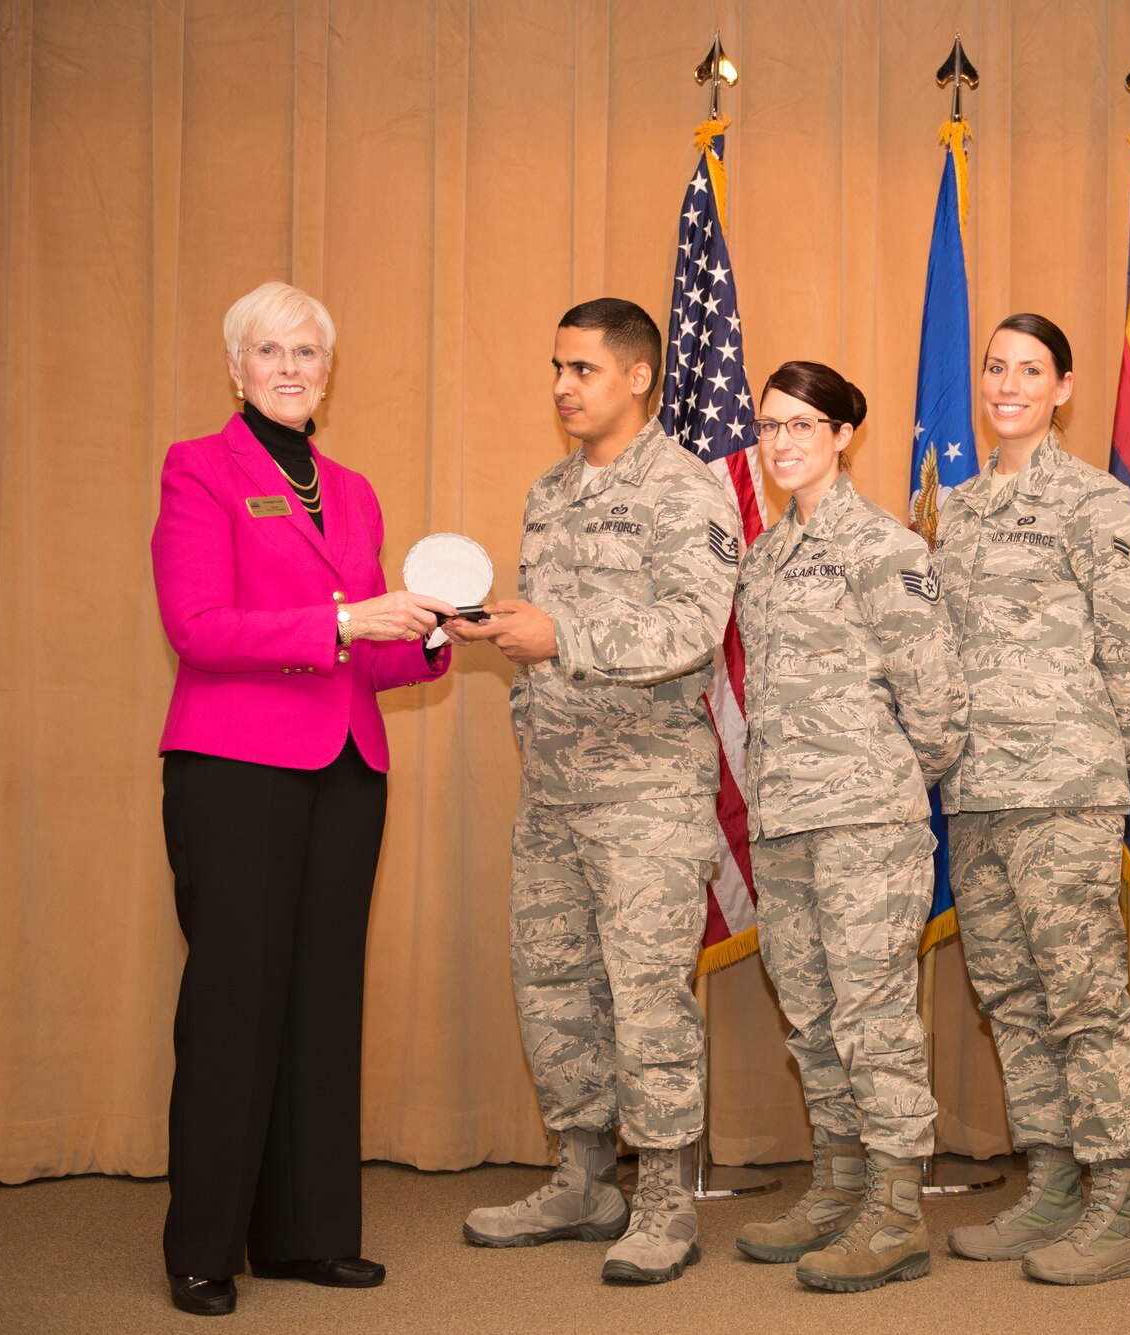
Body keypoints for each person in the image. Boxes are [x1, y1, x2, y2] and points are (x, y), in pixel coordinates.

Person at [150, 280, 455, 1316]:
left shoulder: (353, 489)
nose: (289, 369)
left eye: (308, 354)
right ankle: (202, 1249)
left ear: (329, 371)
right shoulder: (199, 470)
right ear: (235, 368)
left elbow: (366, 662)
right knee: (235, 1007)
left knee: (323, 1002)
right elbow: (197, 626)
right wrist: (340, 620)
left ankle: (306, 1235)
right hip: (233, 772)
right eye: (269, 352)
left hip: (344, 769)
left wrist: (429, 638)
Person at [450, 298, 740, 1285]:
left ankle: (664, 1197)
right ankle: (581, 1177)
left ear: (637, 377)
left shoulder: (687, 492)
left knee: (647, 998)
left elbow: (691, 631)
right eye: (556, 368)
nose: (564, 386)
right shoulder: (549, 491)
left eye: (582, 369)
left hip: (646, 796)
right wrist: (505, 627)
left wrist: (562, 639)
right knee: (552, 987)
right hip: (555, 788)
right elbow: (548, 623)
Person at [933, 313, 1130, 1286]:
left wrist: (1102, 769)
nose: (1006, 384)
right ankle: (1051, 1183)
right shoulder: (953, 506)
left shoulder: (1094, 502)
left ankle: (1118, 1202)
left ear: (1063, 387)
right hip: (976, 792)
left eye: (1029, 370)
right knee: (1013, 998)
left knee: (1081, 997)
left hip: (1063, 787)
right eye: (994, 367)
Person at [729, 361, 969, 1292]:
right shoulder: (763, 557)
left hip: (868, 820)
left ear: (842, 435)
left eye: (803, 425)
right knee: (813, 1014)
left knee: (873, 1016)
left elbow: (938, 699)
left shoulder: (886, 548)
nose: (783, 442)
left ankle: (898, 1208)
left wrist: (892, 782)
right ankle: (838, 1183)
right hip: (785, 819)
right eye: (771, 425)